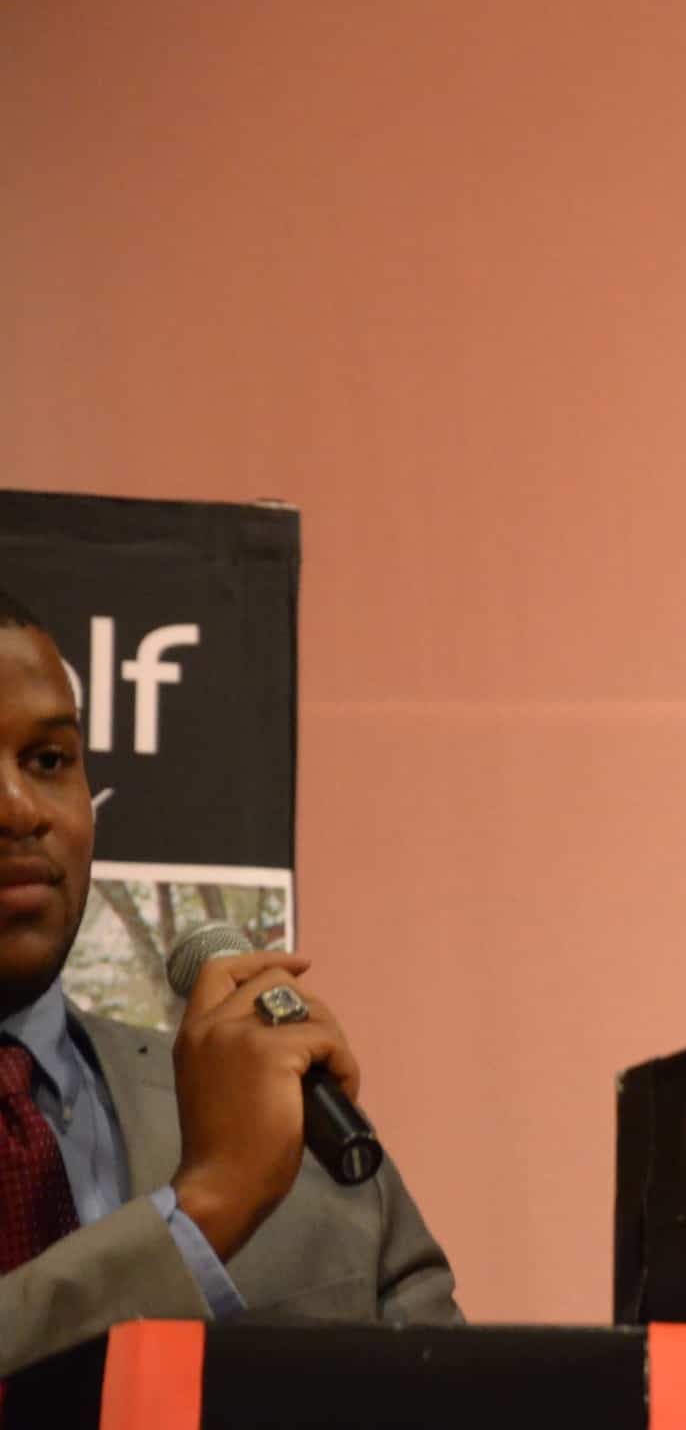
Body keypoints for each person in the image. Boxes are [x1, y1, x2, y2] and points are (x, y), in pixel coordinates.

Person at [0, 590, 458, 1381]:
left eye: (48, 761)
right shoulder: (234, 1165)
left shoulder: (286, 1128)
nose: (17, 808)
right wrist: (204, 1209)